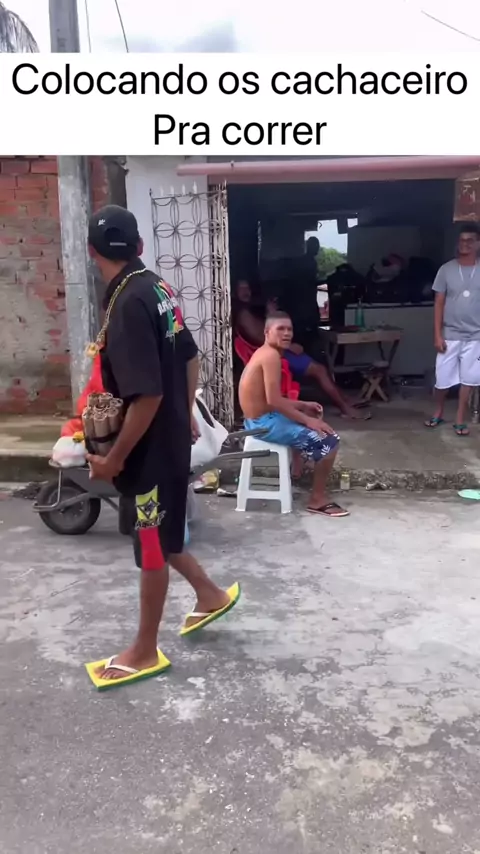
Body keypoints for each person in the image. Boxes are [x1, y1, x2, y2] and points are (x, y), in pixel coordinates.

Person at [85, 205, 239, 684]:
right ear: (139, 246)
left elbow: (147, 394)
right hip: (168, 439)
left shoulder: (127, 303)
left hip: (148, 452)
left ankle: (145, 651)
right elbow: (189, 355)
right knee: (158, 530)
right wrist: (186, 412)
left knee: (150, 542)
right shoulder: (157, 288)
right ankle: (210, 595)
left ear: (91, 251)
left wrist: (113, 459)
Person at [239, 311, 349, 518]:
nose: (287, 333)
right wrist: (308, 421)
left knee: (308, 412)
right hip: (263, 424)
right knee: (330, 441)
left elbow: (269, 400)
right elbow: (274, 401)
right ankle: (317, 499)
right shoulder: (271, 356)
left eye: (289, 329)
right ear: (267, 332)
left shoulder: (266, 352)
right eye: (280, 329)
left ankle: (296, 469)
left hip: (259, 419)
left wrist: (302, 405)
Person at [234, 279, 370, 420]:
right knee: (320, 370)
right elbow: (259, 337)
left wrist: (271, 313)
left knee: (319, 366)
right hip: (276, 354)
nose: (246, 292)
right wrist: (289, 346)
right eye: (241, 288)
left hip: (277, 351)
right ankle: (345, 408)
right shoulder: (244, 314)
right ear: (234, 291)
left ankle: (345, 399)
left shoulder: (248, 310)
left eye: (247, 288)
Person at [425, 224, 480, 437]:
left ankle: (459, 418)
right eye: (462, 240)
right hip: (450, 334)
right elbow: (438, 303)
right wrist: (437, 334)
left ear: (478, 244)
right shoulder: (446, 269)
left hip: (476, 336)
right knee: (442, 379)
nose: (464, 244)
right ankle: (438, 410)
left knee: (468, 380)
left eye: (470, 240)